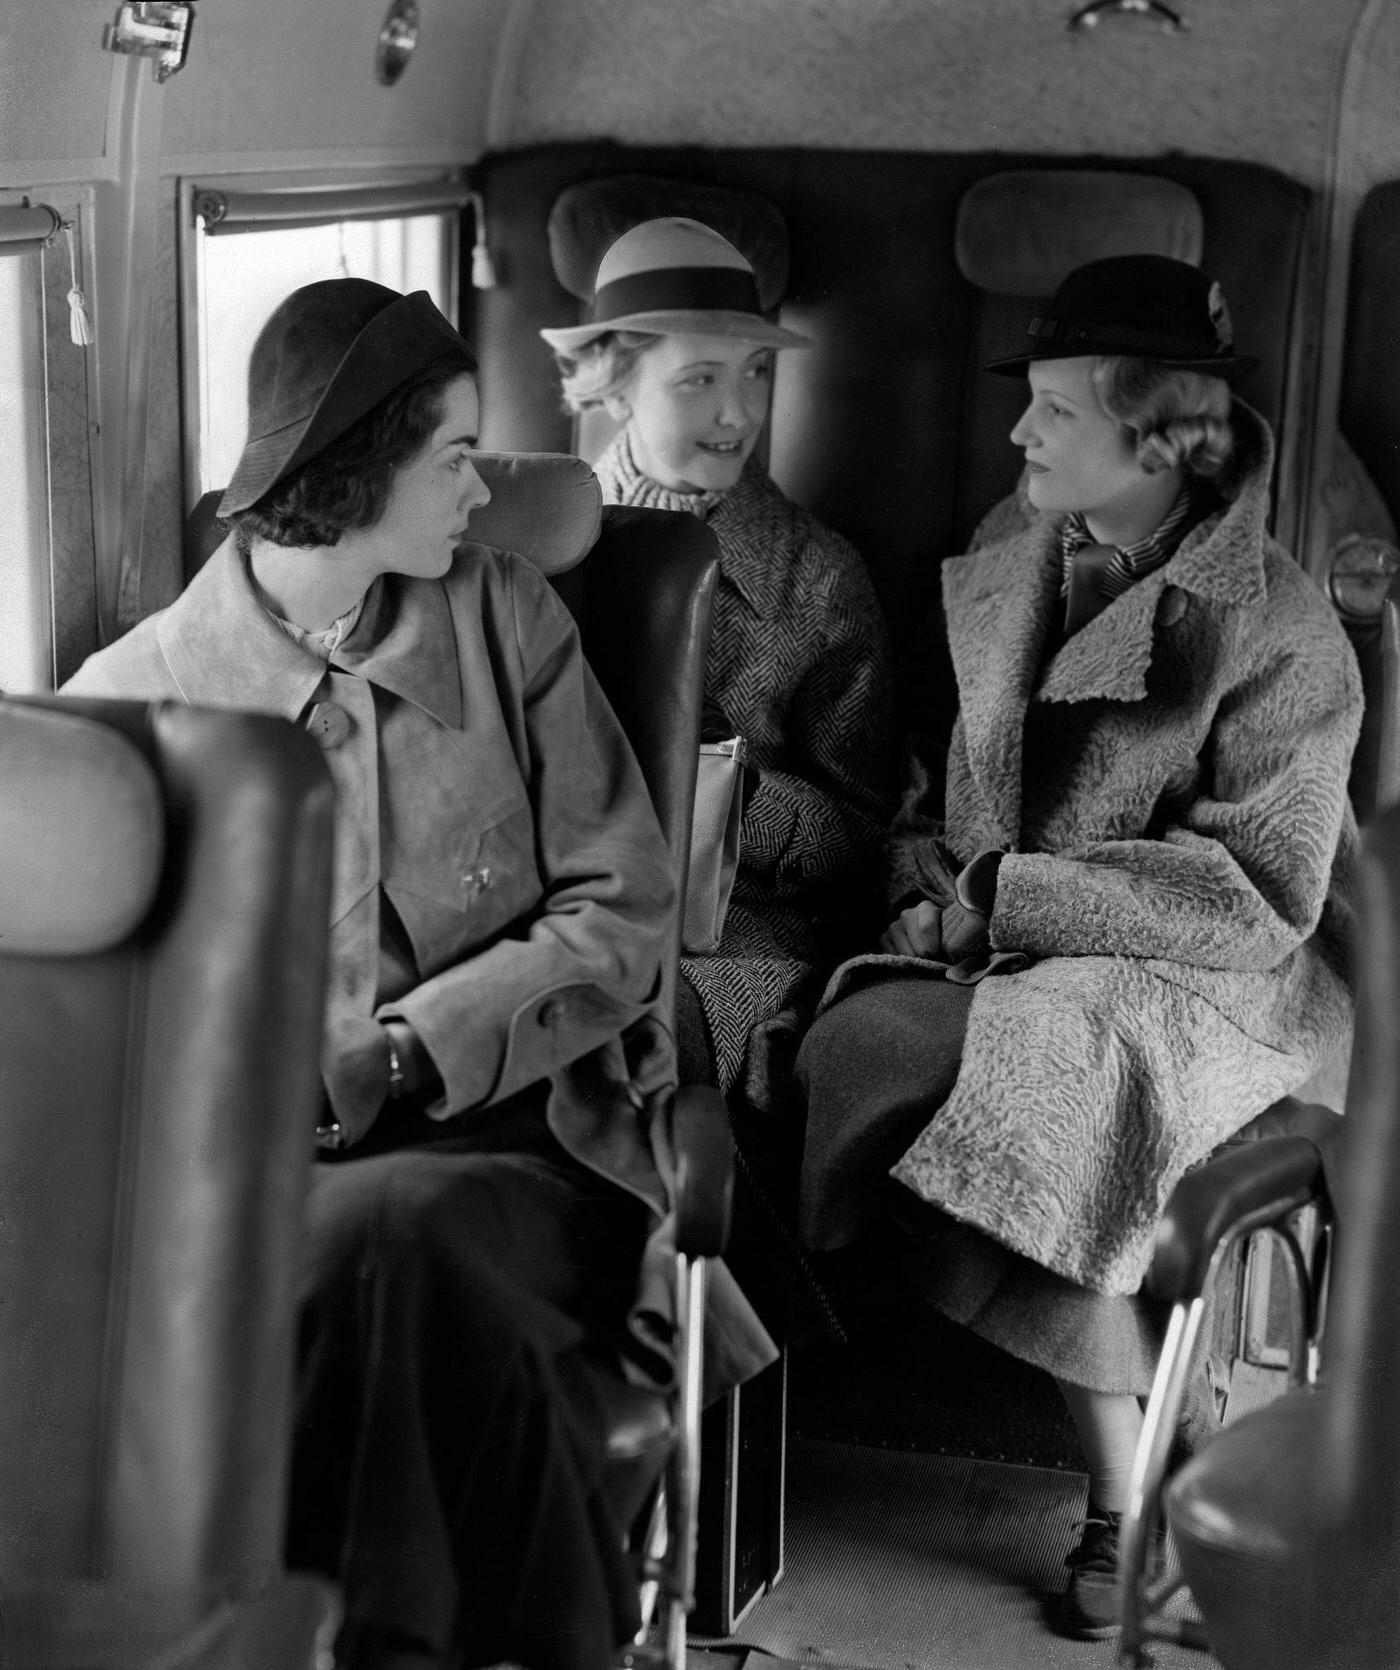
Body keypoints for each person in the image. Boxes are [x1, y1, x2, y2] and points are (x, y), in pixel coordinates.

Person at [64, 278, 774, 1670]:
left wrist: (408, 1045)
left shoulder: (511, 618)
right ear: (358, 468)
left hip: (535, 1134)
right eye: (454, 451)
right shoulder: (129, 701)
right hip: (273, 1184)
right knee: (396, 1262)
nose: (483, 483)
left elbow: (626, 906)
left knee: (393, 1238)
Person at [795, 255, 1363, 1638]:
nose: (1019, 435)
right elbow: (949, 782)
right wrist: (937, 881)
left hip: (1219, 974)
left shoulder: (1281, 628)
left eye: (1052, 408)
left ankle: (1121, 1485)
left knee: (1057, 1058)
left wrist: (1018, 900)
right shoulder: (1018, 542)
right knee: (858, 1036)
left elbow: (1262, 892)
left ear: (1157, 435)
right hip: (1016, 932)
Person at [542, 216, 895, 1103]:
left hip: (737, 939)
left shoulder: (820, 581)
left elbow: (870, 833)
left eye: (756, 373)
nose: (738, 413)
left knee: (620, 1046)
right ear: (615, 385)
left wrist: (738, 807)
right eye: (699, 379)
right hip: (547, 901)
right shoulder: (527, 547)